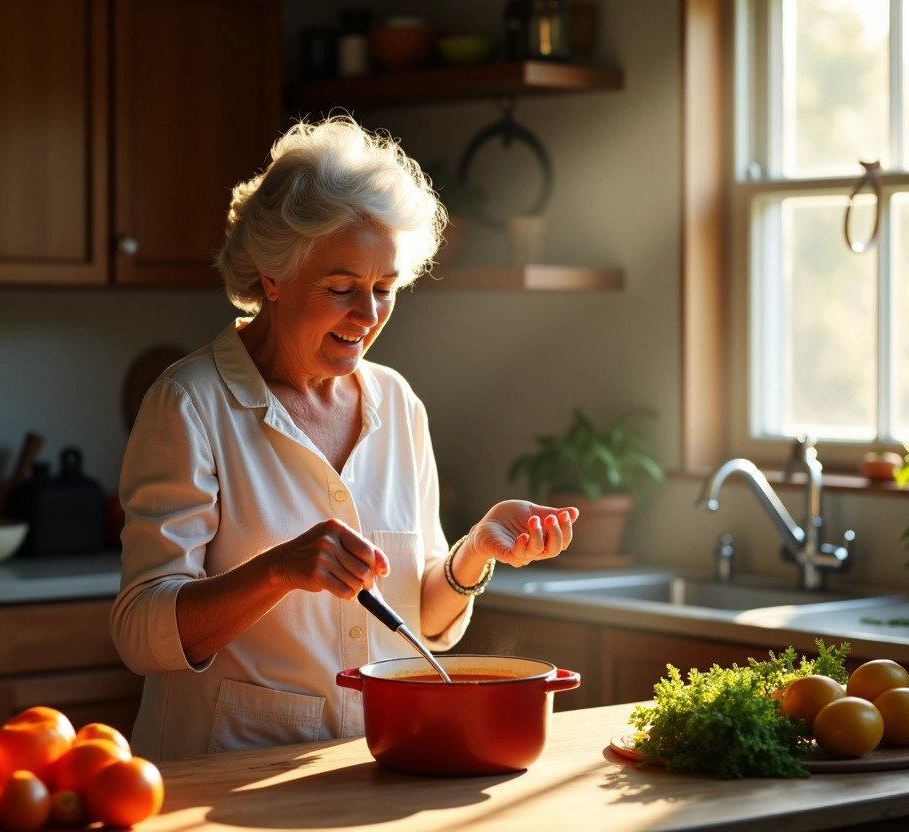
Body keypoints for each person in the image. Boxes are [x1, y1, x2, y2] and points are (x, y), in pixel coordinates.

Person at [110, 115, 579, 761]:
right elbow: (141, 633)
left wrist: (477, 552)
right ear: (272, 278)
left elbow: (425, 626)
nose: (367, 315)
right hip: (224, 770)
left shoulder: (396, 402)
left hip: (370, 766)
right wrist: (278, 570)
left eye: (385, 289)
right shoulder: (190, 402)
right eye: (340, 288)